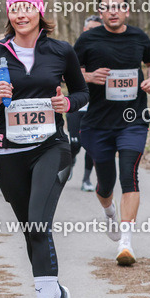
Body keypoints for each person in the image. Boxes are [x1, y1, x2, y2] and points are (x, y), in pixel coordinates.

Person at [0, 0, 88, 298]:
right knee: (31, 231)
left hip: (50, 147)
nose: (21, 13)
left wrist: (68, 104)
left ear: (40, 10)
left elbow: (82, 92)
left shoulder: (61, 50)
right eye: (15, 8)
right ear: (8, 13)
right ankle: (55, 295)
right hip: (9, 155)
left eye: (28, 7)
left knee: (38, 223)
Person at [74, 0, 150, 266]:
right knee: (105, 184)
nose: (113, 11)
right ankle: (109, 211)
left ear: (127, 10)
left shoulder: (139, 37)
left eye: (119, 6)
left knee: (129, 174)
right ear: (100, 12)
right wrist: (89, 77)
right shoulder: (87, 39)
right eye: (107, 7)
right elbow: (68, 73)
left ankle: (126, 243)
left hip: (133, 120)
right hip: (98, 123)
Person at [68, 15, 101, 192]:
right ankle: (71, 159)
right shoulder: (76, 49)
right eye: (91, 29)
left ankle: (86, 179)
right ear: (84, 30)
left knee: (92, 145)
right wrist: (90, 76)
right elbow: (66, 75)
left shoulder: (106, 52)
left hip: (97, 105)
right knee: (75, 143)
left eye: (98, 29)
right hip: (77, 103)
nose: (94, 33)